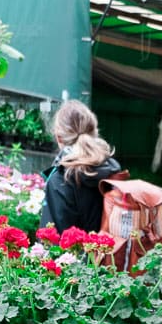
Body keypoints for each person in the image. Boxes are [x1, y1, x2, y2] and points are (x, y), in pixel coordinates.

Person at [40, 100, 121, 233]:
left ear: (58, 137)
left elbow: (53, 239)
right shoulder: (112, 170)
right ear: (94, 131)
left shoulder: (61, 179)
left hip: (74, 253)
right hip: (112, 252)